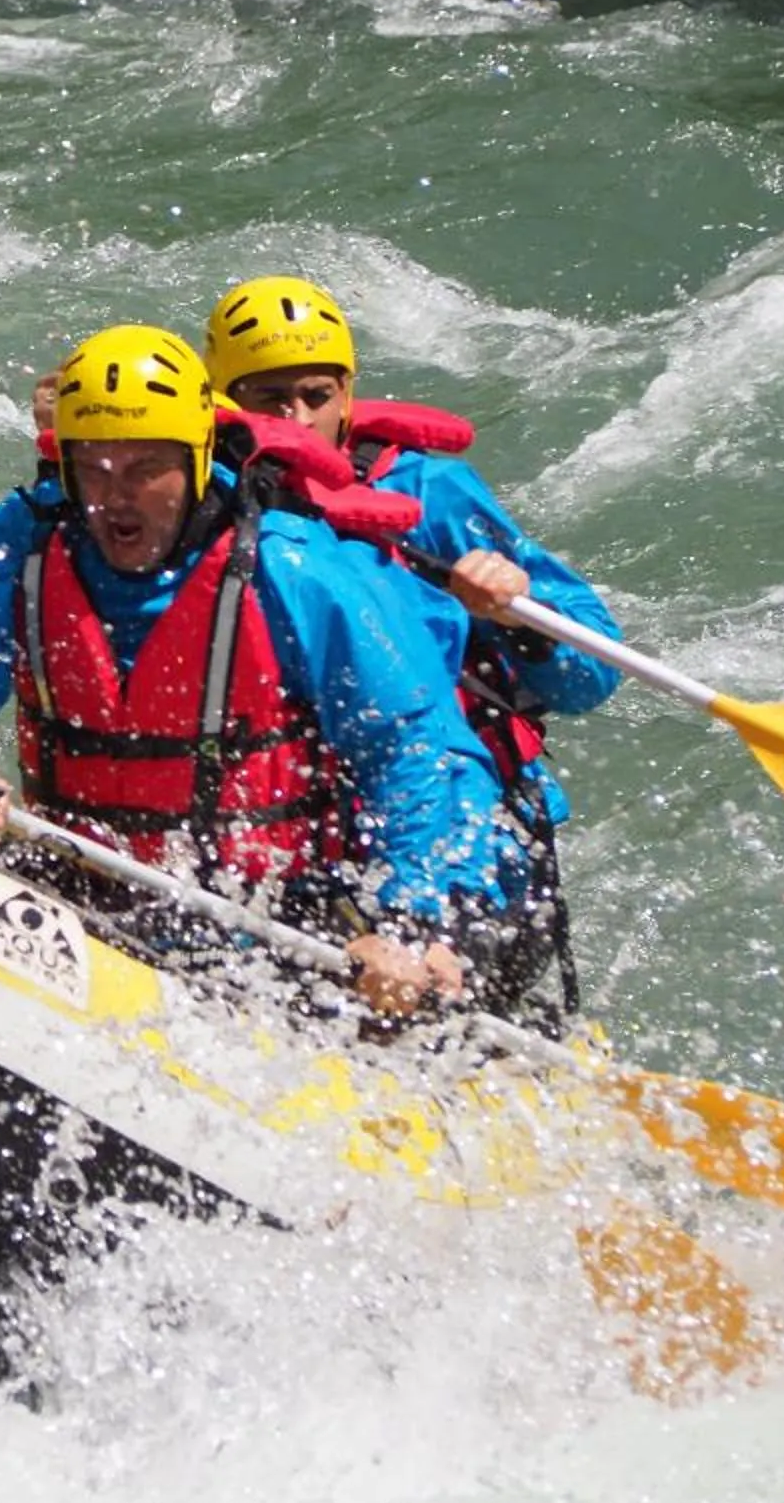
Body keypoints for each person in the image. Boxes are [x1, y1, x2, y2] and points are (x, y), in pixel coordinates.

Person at [0, 323, 536, 1017]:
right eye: (97, 467)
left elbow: (406, 746)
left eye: (146, 468)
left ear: (198, 459)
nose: (117, 495)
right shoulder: (22, 540)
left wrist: (407, 923)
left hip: (276, 914)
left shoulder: (290, 566)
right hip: (89, 883)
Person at [205, 275, 621, 1004]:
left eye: (316, 394)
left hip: (466, 838)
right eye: (270, 399)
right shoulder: (201, 505)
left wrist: (517, 617)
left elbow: (594, 672)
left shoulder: (430, 496)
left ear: (347, 396)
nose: (298, 418)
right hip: (310, 844)